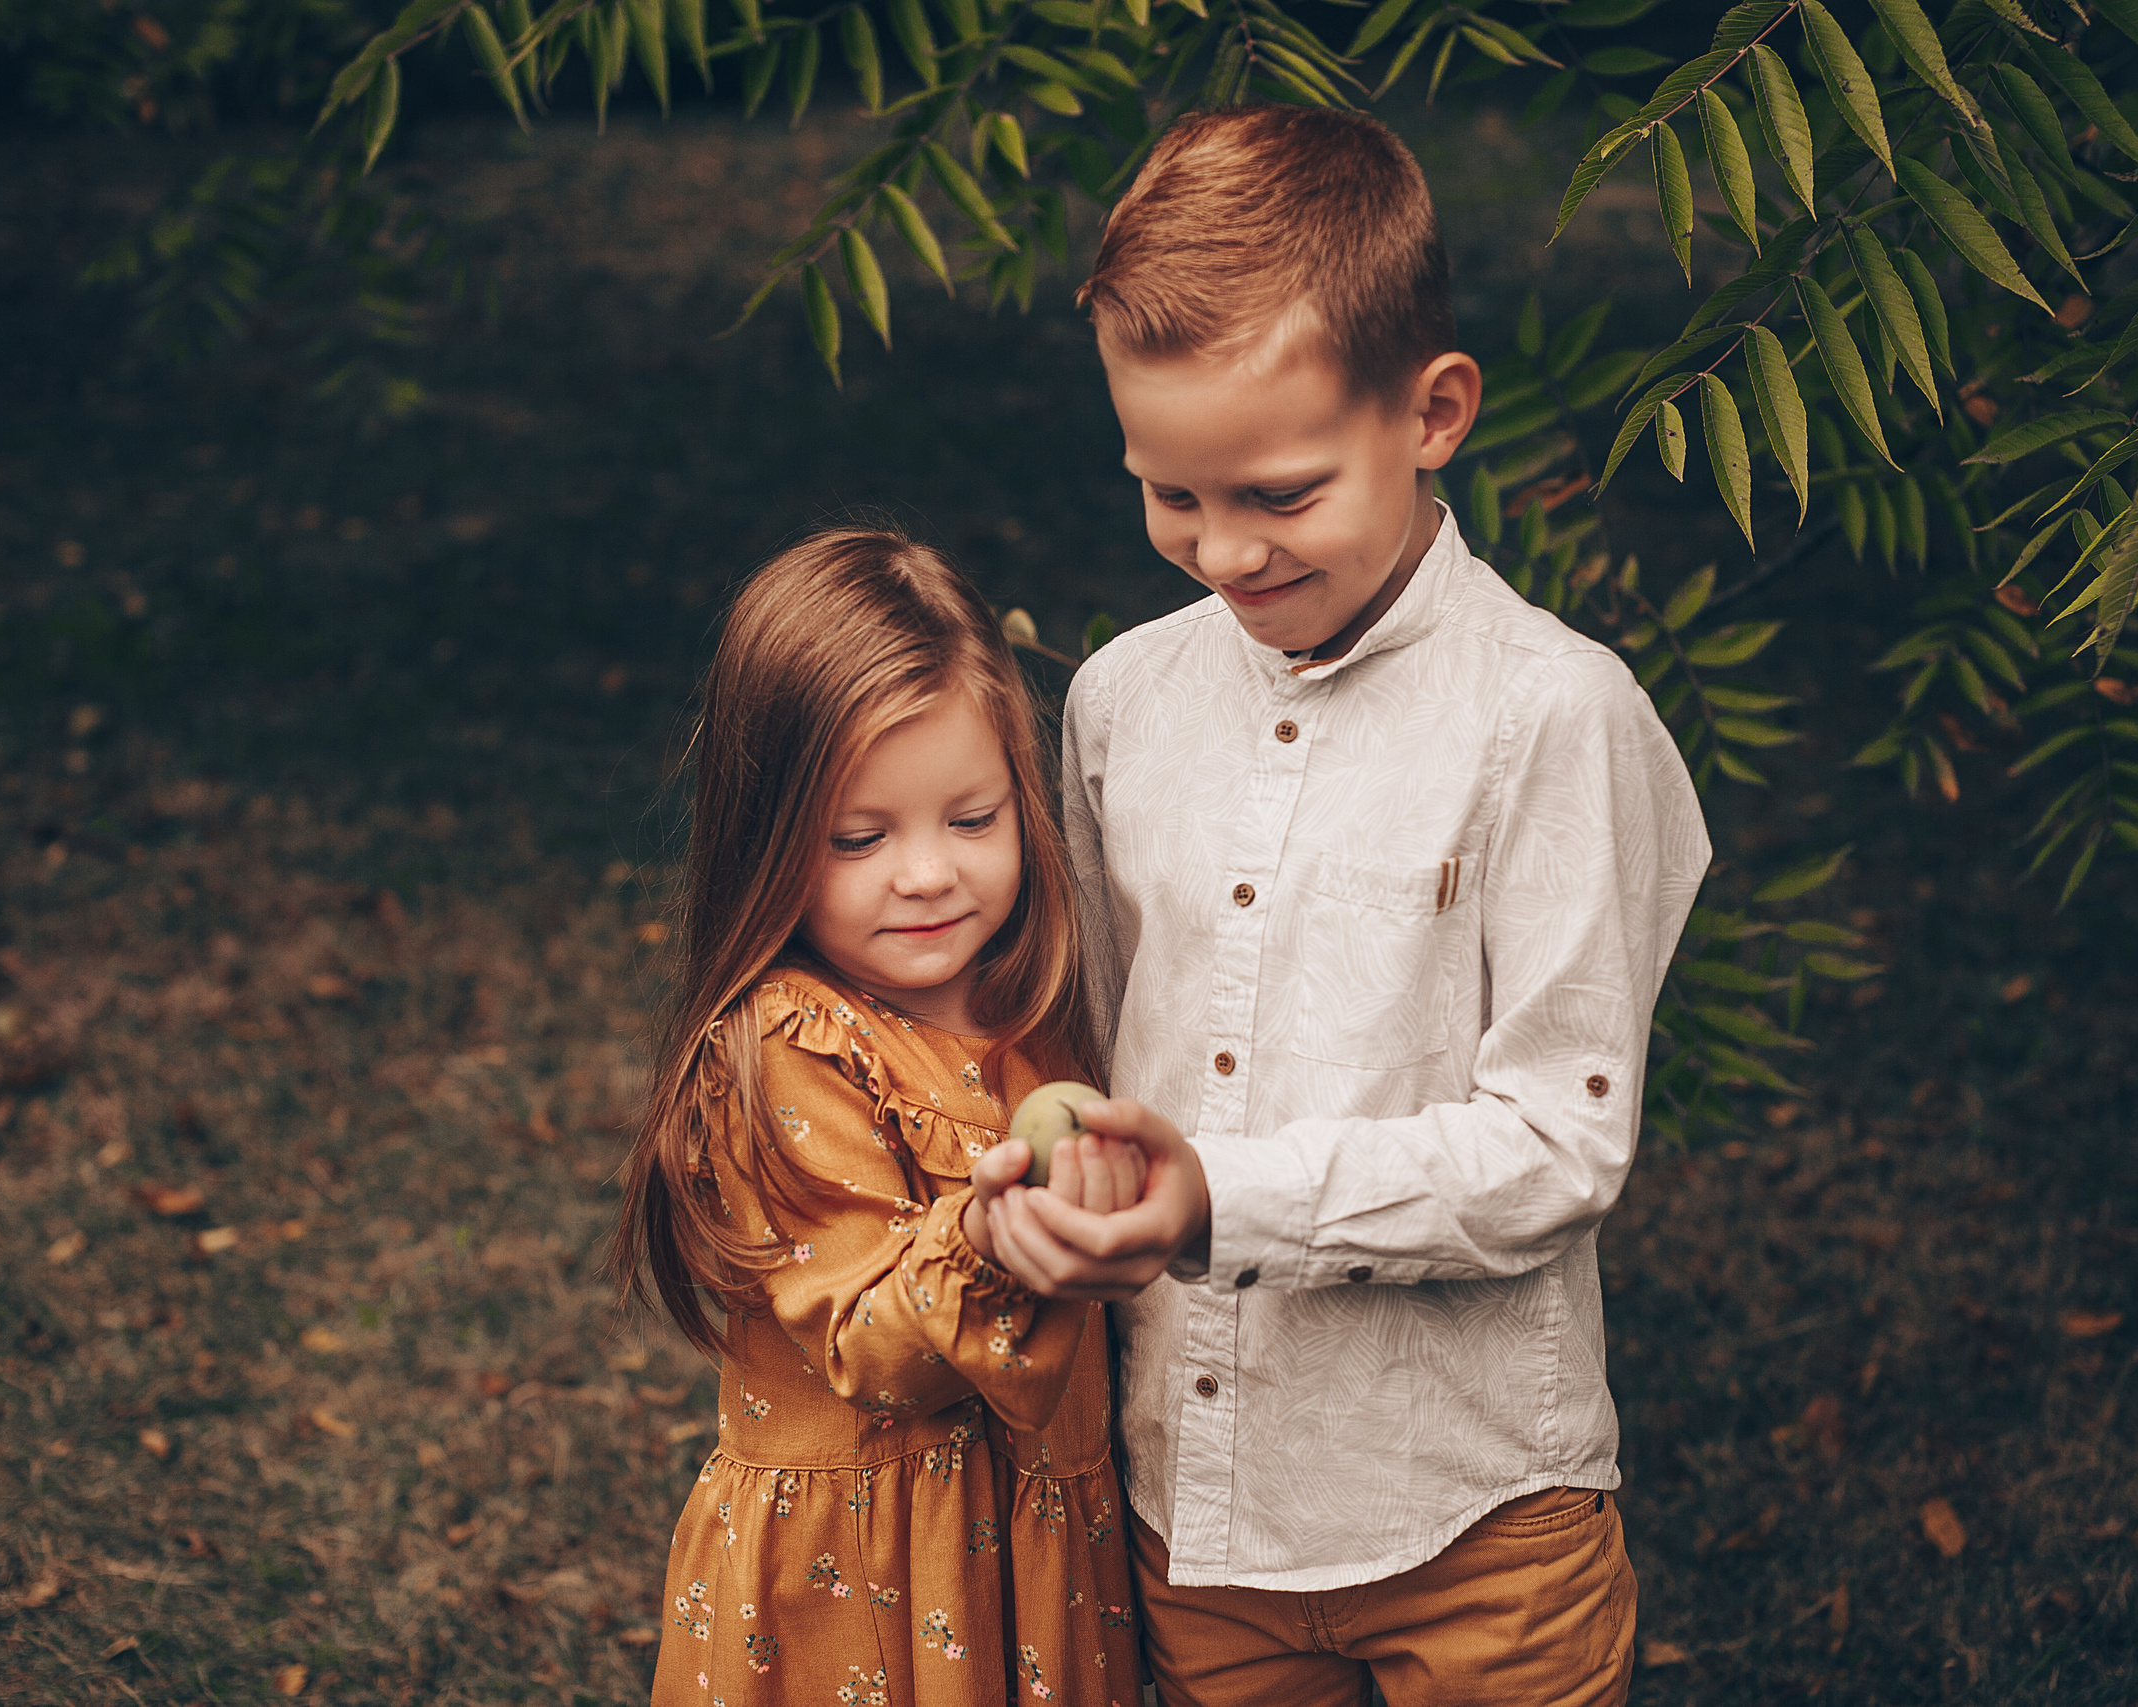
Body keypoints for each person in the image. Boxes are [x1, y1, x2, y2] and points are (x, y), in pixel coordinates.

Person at [963, 108, 1714, 1707]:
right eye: (1168, 494)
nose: (1221, 548)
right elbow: (1094, 1033)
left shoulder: (1553, 719)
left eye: (1280, 493)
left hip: (1475, 1509)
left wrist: (1221, 1201)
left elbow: (1562, 1141)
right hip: (1198, 1501)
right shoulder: (1117, 701)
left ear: (1433, 411)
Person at [611, 526, 1146, 1707]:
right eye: (861, 837)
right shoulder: (781, 1047)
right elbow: (867, 1343)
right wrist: (996, 1235)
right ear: (768, 834)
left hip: (1035, 1561)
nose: (926, 874)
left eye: (972, 820)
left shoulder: (1042, 1010)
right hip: (862, 1585)